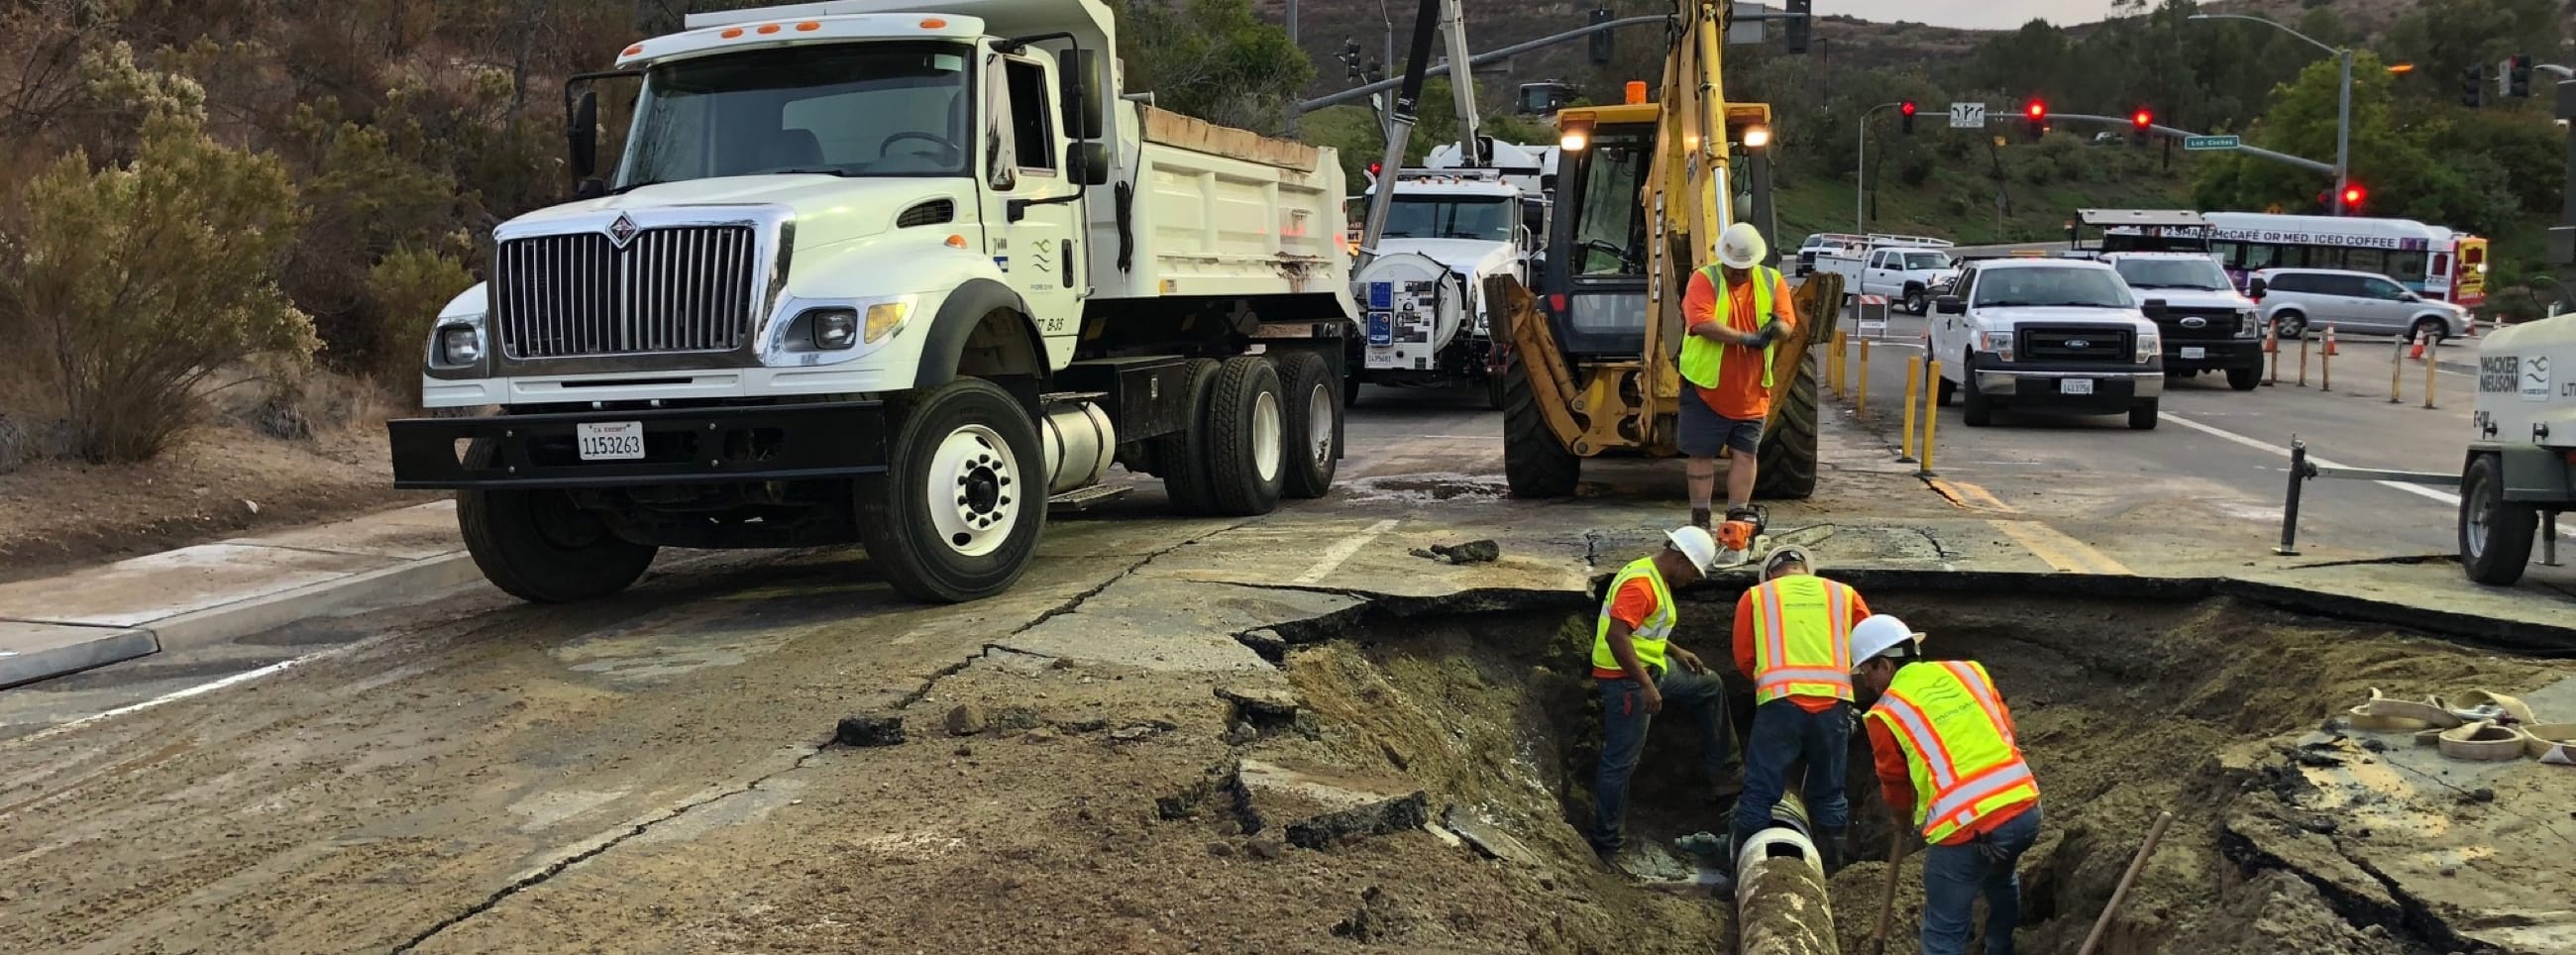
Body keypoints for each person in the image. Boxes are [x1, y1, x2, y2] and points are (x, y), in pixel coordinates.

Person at [1851, 614, 2043, 955]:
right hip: (2024, 808)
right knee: (1999, 878)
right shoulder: (1969, 672)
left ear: (1884, 664)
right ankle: (2001, 948)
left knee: (1943, 930)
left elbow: (1895, 783)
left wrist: (1900, 819)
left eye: (1866, 673)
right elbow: (2006, 730)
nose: (1867, 684)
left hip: (1967, 829)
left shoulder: (1886, 713)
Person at [1589, 525, 1737, 862]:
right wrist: (1645, 686)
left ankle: (1728, 779)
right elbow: (1617, 637)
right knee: (1620, 762)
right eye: (1694, 572)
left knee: (1709, 685)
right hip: (1625, 680)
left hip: (1650, 668)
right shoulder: (1641, 584)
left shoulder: (1654, 577)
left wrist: (1675, 651)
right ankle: (1607, 843)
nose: (1693, 580)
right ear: (1681, 559)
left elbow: (1642, 629)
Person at [1728, 546, 1870, 872]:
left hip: (1780, 703)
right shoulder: (1844, 595)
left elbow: (1744, 658)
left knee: (1760, 791)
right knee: (1830, 792)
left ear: (1770, 574)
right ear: (1807, 569)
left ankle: (1739, 872)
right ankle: (1834, 873)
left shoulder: (1757, 597)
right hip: (1834, 704)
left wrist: (1770, 681)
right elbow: (1869, 646)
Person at [1679, 221, 1798, 531]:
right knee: (1701, 454)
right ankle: (1700, 521)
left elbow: (1788, 323)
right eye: (1733, 268)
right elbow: (1701, 322)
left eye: (1744, 269)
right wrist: (1746, 339)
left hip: (1752, 389)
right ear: (1723, 260)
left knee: (1746, 453)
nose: (1739, 274)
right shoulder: (1704, 280)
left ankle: (1736, 520)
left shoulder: (1771, 281)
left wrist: (1777, 330)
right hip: (1707, 386)